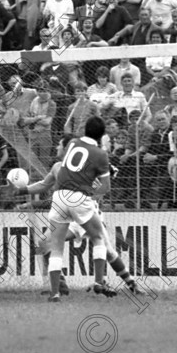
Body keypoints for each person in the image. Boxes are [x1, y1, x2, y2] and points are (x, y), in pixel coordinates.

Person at [9, 133, 142, 296]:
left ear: (67, 148)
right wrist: (21, 190)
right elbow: (44, 185)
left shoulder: (86, 165)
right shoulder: (57, 167)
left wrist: (107, 172)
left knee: (109, 252)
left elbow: (103, 184)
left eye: (59, 144)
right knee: (44, 243)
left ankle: (131, 284)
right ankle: (61, 286)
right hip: (70, 217)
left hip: (89, 213)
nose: (57, 147)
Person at [39, 116, 116, 302]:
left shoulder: (73, 143)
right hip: (79, 198)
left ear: (85, 130)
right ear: (102, 135)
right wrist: (89, 190)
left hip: (59, 196)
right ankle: (99, 282)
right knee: (98, 237)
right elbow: (105, 187)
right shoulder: (100, 154)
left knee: (55, 247)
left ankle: (55, 293)